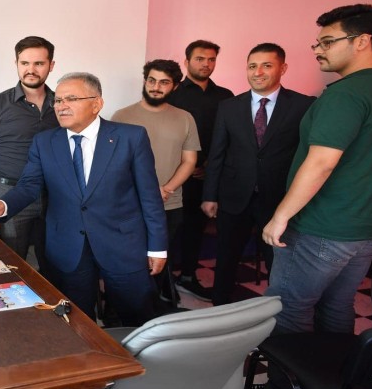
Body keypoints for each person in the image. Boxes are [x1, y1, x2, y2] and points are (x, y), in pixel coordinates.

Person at [0, 72, 168, 326]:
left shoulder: (131, 137)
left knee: (137, 318)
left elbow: (150, 197)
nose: (61, 106)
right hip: (68, 246)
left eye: (71, 99)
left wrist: (157, 247)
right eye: (58, 100)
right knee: (76, 321)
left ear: (97, 104)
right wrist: (0, 207)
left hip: (123, 245)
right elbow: (28, 186)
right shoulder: (45, 142)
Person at [262, 4, 372, 335]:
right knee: (337, 304)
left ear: (361, 41)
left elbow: (322, 162)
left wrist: (281, 215)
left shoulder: (346, 94)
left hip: (322, 226)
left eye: (327, 42)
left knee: (288, 307)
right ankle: (336, 367)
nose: (318, 50)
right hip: (364, 229)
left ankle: (287, 372)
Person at [201, 43, 315, 306]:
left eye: (267, 65)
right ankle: (220, 307)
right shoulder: (229, 106)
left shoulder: (303, 105)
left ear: (283, 68)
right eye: (252, 66)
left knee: (278, 260)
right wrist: (209, 195)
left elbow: (308, 154)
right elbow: (217, 153)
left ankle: (279, 311)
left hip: (279, 199)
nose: (258, 72)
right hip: (233, 196)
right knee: (226, 256)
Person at [111, 59, 199, 305]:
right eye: (151, 80)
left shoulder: (185, 118)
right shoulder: (122, 116)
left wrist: (167, 188)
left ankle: (150, 307)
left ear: (175, 86)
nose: (156, 87)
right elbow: (112, 163)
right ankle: (118, 310)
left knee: (158, 260)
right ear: (145, 80)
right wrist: (145, 191)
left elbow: (189, 161)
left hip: (169, 203)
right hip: (128, 204)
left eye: (164, 82)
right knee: (126, 261)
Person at [0, 36, 59, 275]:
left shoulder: (62, 105)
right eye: (25, 63)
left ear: (51, 65)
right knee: (10, 266)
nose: (31, 69)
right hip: (7, 193)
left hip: (55, 196)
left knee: (55, 265)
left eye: (39, 63)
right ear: (16, 64)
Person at [168, 40, 234, 301]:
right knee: (170, 228)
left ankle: (188, 276)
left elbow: (228, 136)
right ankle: (163, 280)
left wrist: (208, 166)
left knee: (196, 228)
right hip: (175, 174)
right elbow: (166, 133)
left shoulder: (226, 96)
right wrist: (187, 165)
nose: (206, 64)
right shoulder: (173, 93)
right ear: (187, 62)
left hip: (208, 176)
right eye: (200, 59)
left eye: (211, 59)